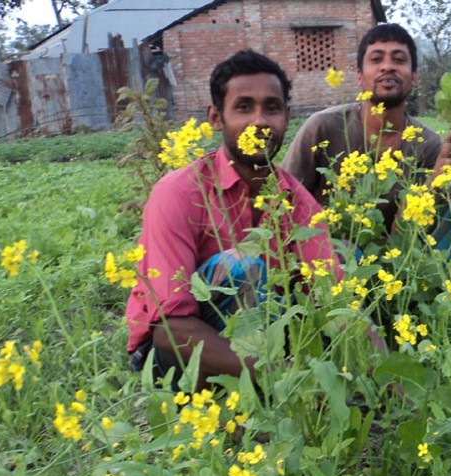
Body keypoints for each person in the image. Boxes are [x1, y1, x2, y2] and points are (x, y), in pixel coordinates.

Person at [125, 49, 344, 390]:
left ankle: (261, 389)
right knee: (243, 267)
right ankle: (250, 395)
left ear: (287, 117)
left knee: (342, 265)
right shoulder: (179, 192)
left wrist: (385, 375)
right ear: (216, 117)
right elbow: (170, 328)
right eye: (244, 107)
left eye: (272, 108)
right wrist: (283, 377)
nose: (260, 121)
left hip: (263, 342)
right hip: (174, 352)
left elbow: (334, 299)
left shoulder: (297, 201)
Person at [281, 23, 451, 304]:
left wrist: (442, 167)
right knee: (346, 251)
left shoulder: (427, 144)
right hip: (325, 263)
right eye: (376, 59)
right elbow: (282, 204)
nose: (387, 67)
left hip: (395, 264)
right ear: (358, 76)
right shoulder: (322, 127)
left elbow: (407, 231)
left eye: (399, 59)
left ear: (414, 76)